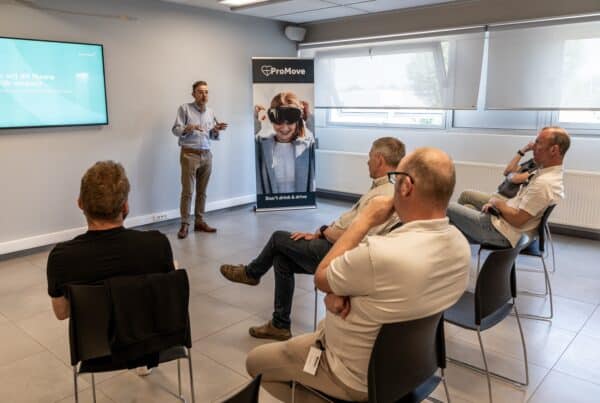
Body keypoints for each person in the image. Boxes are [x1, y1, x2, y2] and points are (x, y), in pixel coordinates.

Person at [246, 147, 471, 401]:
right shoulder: (460, 247)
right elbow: (400, 294)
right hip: (412, 370)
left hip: (351, 374)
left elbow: (322, 278)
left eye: (396, 178)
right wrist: (344, 294)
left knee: (256, 362)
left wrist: (364, 221)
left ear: (406, 186)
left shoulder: (380, 253)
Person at [220, 137, 405, 341]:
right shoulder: (388, 187)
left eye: (370, 157)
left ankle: (251, 273)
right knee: (281, 260)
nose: (367, 161)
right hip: (335, 243)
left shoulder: (382, 195)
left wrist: (324, 231)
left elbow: (354, 237)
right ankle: (280, 325)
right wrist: (319, 233)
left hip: (341, 253)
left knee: (278, 238)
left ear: (379, 159)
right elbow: (352, 225)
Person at [46, 161, 176, 321]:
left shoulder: (61, 258)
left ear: (80, 203)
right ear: (125, 207)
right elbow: (168, 295)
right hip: (149, 335)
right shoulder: (157, 245)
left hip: (95, 336)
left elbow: (62, 313)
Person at [447, 126, 570, 248]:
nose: (533, 147)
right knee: (467, 208)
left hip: (504, 233)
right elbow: (511, 182)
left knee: (446, 207)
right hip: (503, 224)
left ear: (553, 150)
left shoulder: (544, 183)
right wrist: (497, 205)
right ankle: (455, 248)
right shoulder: (546, 173)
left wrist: (496, 203)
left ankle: (451, 250)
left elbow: (517, 220)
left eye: (538, 143)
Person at [172, 80, 228, 239]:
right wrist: (187, 128)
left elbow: (211, 135)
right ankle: (184, 224)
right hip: (189, 154)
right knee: (188, 191)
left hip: (206, 155)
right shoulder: (184, 109)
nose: (204, 95)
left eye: (206, 92)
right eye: (200, 92)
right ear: (193, 94)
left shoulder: (211, 112)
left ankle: (199, 221)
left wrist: (216, 130)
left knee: (202, 192)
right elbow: (175, 130)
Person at [254, 92, 315, 194]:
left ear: (297, 121)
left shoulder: (307, 147)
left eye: (290, 121)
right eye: (279, 121)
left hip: (301, 203)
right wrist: (254, 121)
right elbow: (243, 144)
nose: (284, 128)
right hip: (269, 203)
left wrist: (309, 118)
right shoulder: (261, 146)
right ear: (272, 120)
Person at [457, 141, 537, 209]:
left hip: (505, 201)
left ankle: (450, 221)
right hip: (497, 195)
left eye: (538, 143)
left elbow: (515, 179)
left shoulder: (539, 168)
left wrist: (511, 175)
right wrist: (523, 150)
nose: (534, 145)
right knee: (468, 207)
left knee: (465, 195)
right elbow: (507, 171)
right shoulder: (532, 162)